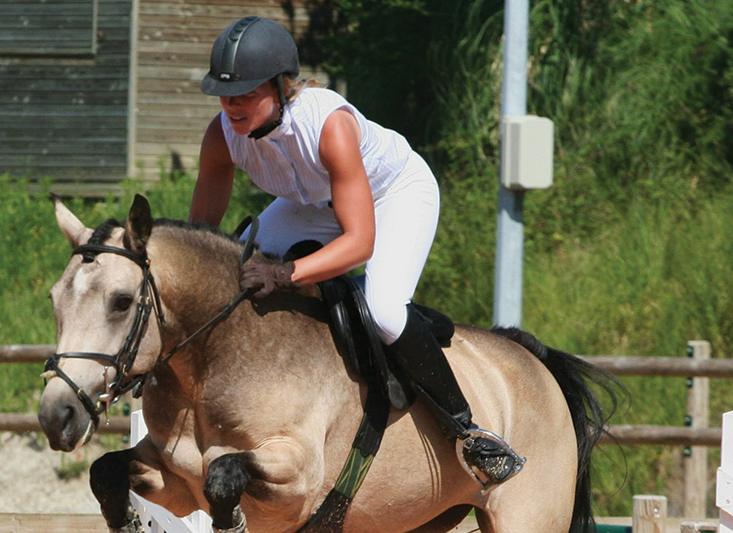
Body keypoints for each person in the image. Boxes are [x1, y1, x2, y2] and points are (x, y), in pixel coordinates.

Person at [189, 16, 524, 487]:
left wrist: (287, 274)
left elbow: (359, 242)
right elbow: (199, 236)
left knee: (384, 310)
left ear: (283, 87)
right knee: (240, 270)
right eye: (225, 94)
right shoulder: (221, 137)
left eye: (245, 93)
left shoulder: (330, 127)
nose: (232, 106)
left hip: (395, 195)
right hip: (315, 202)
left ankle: (469, 431)